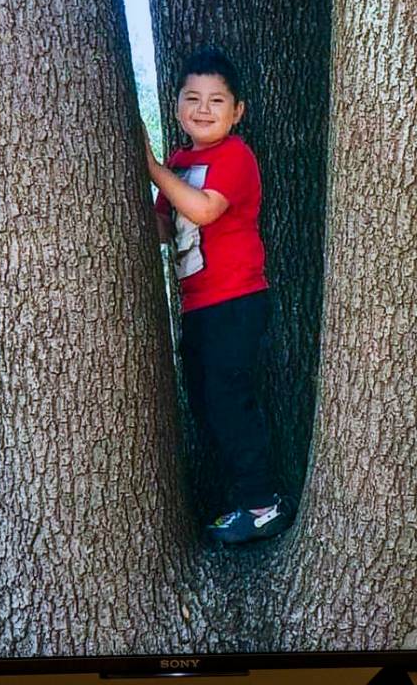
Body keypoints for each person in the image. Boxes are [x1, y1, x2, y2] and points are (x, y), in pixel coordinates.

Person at [146, 48, 291, 544]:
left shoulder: (234, 156)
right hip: (197, 307)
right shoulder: (180, 162)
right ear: (178, 105)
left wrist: (148, 166)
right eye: (193, 98)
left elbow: (205, 210)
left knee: (230, 401)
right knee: (207, 404)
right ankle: (239, 499)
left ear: (237, 111)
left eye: (216, 100)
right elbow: (165, 224)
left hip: (236, 301)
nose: (203, 109)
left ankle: (263, 503)